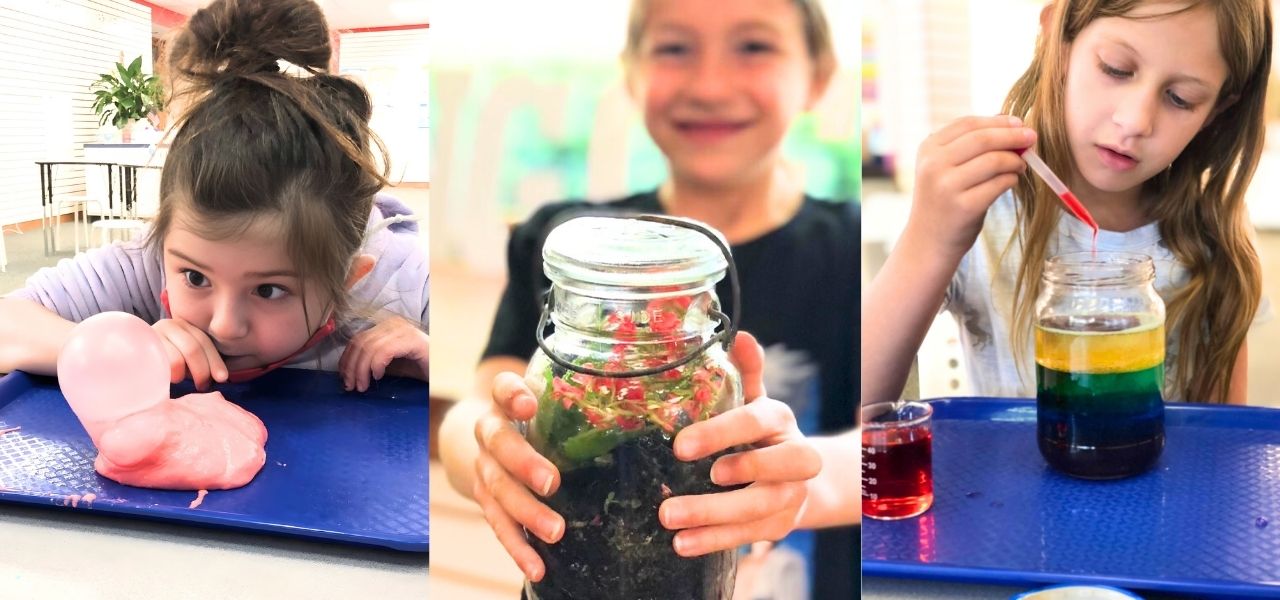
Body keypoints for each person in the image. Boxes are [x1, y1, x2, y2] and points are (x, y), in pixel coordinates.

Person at [438, 0, 857, 597]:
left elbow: (886, 439)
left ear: (818, 75)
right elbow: (482, 405)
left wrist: (813, 483)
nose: (710, 85)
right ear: (631, 72)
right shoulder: (565, 245)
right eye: (674, 48)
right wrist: (485, 450)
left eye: (754, 46)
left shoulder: (848, 253)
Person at [0, 0, 429, 391]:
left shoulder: (404, 281)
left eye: (268, 290)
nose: (224, 326)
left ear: (348, 277)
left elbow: (492, 375)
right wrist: (118, 347)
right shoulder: (152, 264)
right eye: (196, 278)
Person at [864, 0, 1271, 406]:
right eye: (1115, 68)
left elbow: (1222, 440)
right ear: (1058, 37)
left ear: (1217, 110)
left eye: (1180, 99)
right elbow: (859, 401)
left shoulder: (1214, 230)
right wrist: (930, 238)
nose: (1134, 121)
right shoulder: (985, 210)